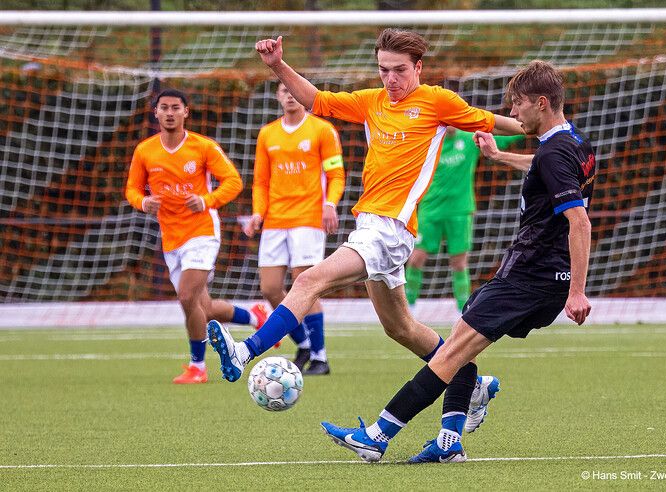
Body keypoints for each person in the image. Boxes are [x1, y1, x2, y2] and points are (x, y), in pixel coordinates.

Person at [207, 30, 523, 427]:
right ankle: (470, 381)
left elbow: (499, 122)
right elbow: (316, 100)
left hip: (389, 229)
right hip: (373, 226)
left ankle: (245, 351)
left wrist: (543, 126)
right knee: (401, 329)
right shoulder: (371, 101)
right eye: (383, 70)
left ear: (418, 68)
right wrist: (277, 66)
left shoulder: (438, 101)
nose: (390, 79)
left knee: (308, 282)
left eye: (400, 71)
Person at [321, 60, 595, 463]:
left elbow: (579, 221)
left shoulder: (553, 154)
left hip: (530, 277)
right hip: (539, 277)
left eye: (518, 105)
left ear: (541, 102)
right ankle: (450, 441)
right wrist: (501, 158)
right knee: (460, 340)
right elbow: (544, 167)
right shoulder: (574, 144)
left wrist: (577, 291)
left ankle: (378, 434)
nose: (513, 114)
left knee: (450, 353)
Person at [125, 88, 268, 384]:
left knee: (187, 296)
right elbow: (132, 190)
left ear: (185, 112)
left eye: (175, 107)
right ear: (156, 113)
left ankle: (197, 367)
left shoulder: (203, 147)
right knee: (201, 307)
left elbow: (233, 181)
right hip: (171, 238)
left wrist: (206, 200)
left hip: (202, 232)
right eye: (163, 107)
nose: (169, 113)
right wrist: (143, 202)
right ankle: (255, 317)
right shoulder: (145, 151)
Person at [242, 81, 345, 375]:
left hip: (308, 218)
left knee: (305, 284)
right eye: (284, 91)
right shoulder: (268, 134)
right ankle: (302, 344)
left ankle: (320, 356)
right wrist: (258, 213)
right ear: (277, 95)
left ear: (301, 94)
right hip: (275, 220)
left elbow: (336, 174)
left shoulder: (322, 130)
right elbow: (261, 181)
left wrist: (330, 204)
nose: (290, 96)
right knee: (271, 288)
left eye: (293, 91)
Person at [405, 128, 524, 314]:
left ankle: (463, 309)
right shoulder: (428, 140)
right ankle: (408, 305)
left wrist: (526, 128)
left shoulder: (470, 139)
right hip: (430, 209)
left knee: (459, 263)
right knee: (415, 259)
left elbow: (499, 140)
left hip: (459, 211)